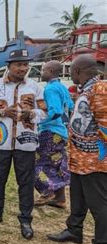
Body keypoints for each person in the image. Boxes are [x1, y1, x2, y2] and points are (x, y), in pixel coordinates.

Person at [0, 49, 46, 240]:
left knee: (26, 183)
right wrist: (1, 113)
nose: (23, 68)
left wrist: (32, 114)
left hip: (25, 144)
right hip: (0, 143)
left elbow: (45, 112)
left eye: (25, 64)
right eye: (18, 64)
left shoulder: (35, 87)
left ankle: (25, 219)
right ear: (8, 66)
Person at [48, 55, 107, 244]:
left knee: (99, 204)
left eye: (71, 70)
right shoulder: (87, 89)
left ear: (79, 71)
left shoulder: (99, 90)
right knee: (78, 197)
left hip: (94, 161)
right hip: (79, 157)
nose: (70, 74)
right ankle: (74, 230)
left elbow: (105, 126)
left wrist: (102, 155)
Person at [34, 61, 74, 209]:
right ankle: (60, 199)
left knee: (34, 163)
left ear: (50, 71)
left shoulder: (50, 89)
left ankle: (46, 192)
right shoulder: (62, 87)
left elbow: (55, 111)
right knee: (55, 163)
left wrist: (38, 119)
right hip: (62, 132)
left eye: (43, 70)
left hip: (50, 131)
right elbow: (70, 106)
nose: (41, 72)